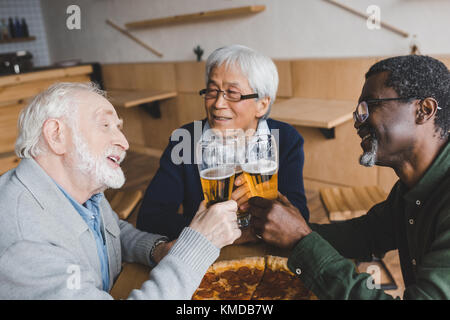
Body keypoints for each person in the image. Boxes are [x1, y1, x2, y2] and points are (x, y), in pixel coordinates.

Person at [0, 82, 241, 299]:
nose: (124, 143)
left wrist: (156, 250)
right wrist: (199, 244)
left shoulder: (80, 190)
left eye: (119, 128)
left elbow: (113, 231)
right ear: (56, 135)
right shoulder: (24, 239)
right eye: (105, 125)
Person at [249, 55, 450, 299]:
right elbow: (367, 234)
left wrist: (301, 239)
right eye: (357, 112)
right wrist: (286, 229)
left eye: (370, 107)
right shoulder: (411, 189)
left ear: (424, 110)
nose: (357, 122)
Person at [137, 44, 309, 250]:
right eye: (212, 91)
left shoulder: (286, 140)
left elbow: (298, 215)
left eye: (232, 93)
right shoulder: (186, 140)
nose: (218, 103)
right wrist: (220, 233)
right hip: (202, 254)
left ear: (262, 105)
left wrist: (248, 232)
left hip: (269, 253)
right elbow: (151, 219)